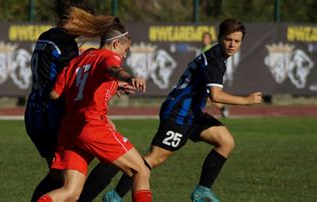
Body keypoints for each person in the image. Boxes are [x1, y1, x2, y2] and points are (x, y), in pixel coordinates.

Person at [102, 19, 262, 202]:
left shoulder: (218, 56)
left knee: (226, 141)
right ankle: (115, 196)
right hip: (178, 114)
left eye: (237, 41)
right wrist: (246, 101)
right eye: (228, 39)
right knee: (153, 159)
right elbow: (216, 96)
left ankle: (202, 191)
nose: (232, 44)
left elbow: (208, 94)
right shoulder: (214, 59)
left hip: (193, 114)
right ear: (219, 38)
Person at [37, 13, 153, 202]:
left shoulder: (80, 59)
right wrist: (128, 78)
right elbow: (113, 69)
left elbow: (55, 94)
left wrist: (115, 85)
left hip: (69, 129)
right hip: (90, 125)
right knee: (141, 170)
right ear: (115, 44)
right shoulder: (107, 57)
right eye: (126, 50)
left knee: (71, 192)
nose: (125, 55)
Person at [24, 1, 108, 201]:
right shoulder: (64, 43)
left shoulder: (46, 37)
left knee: (57, 176)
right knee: (73, 178)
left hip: (34, 113)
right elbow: (71, 80)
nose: (87, 28)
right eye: (85, 22)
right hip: (51, 115)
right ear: (74, 18)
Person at [201, 32, 229, 118]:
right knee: (206, 96)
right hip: (205, 76)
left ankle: (223, 108)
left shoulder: (210, 49)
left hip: (210, 77)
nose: (205, 40)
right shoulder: (203, 49)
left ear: (210, 40)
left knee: (210, 96)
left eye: (207, 38)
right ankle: (223, 108)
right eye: (204, 38)